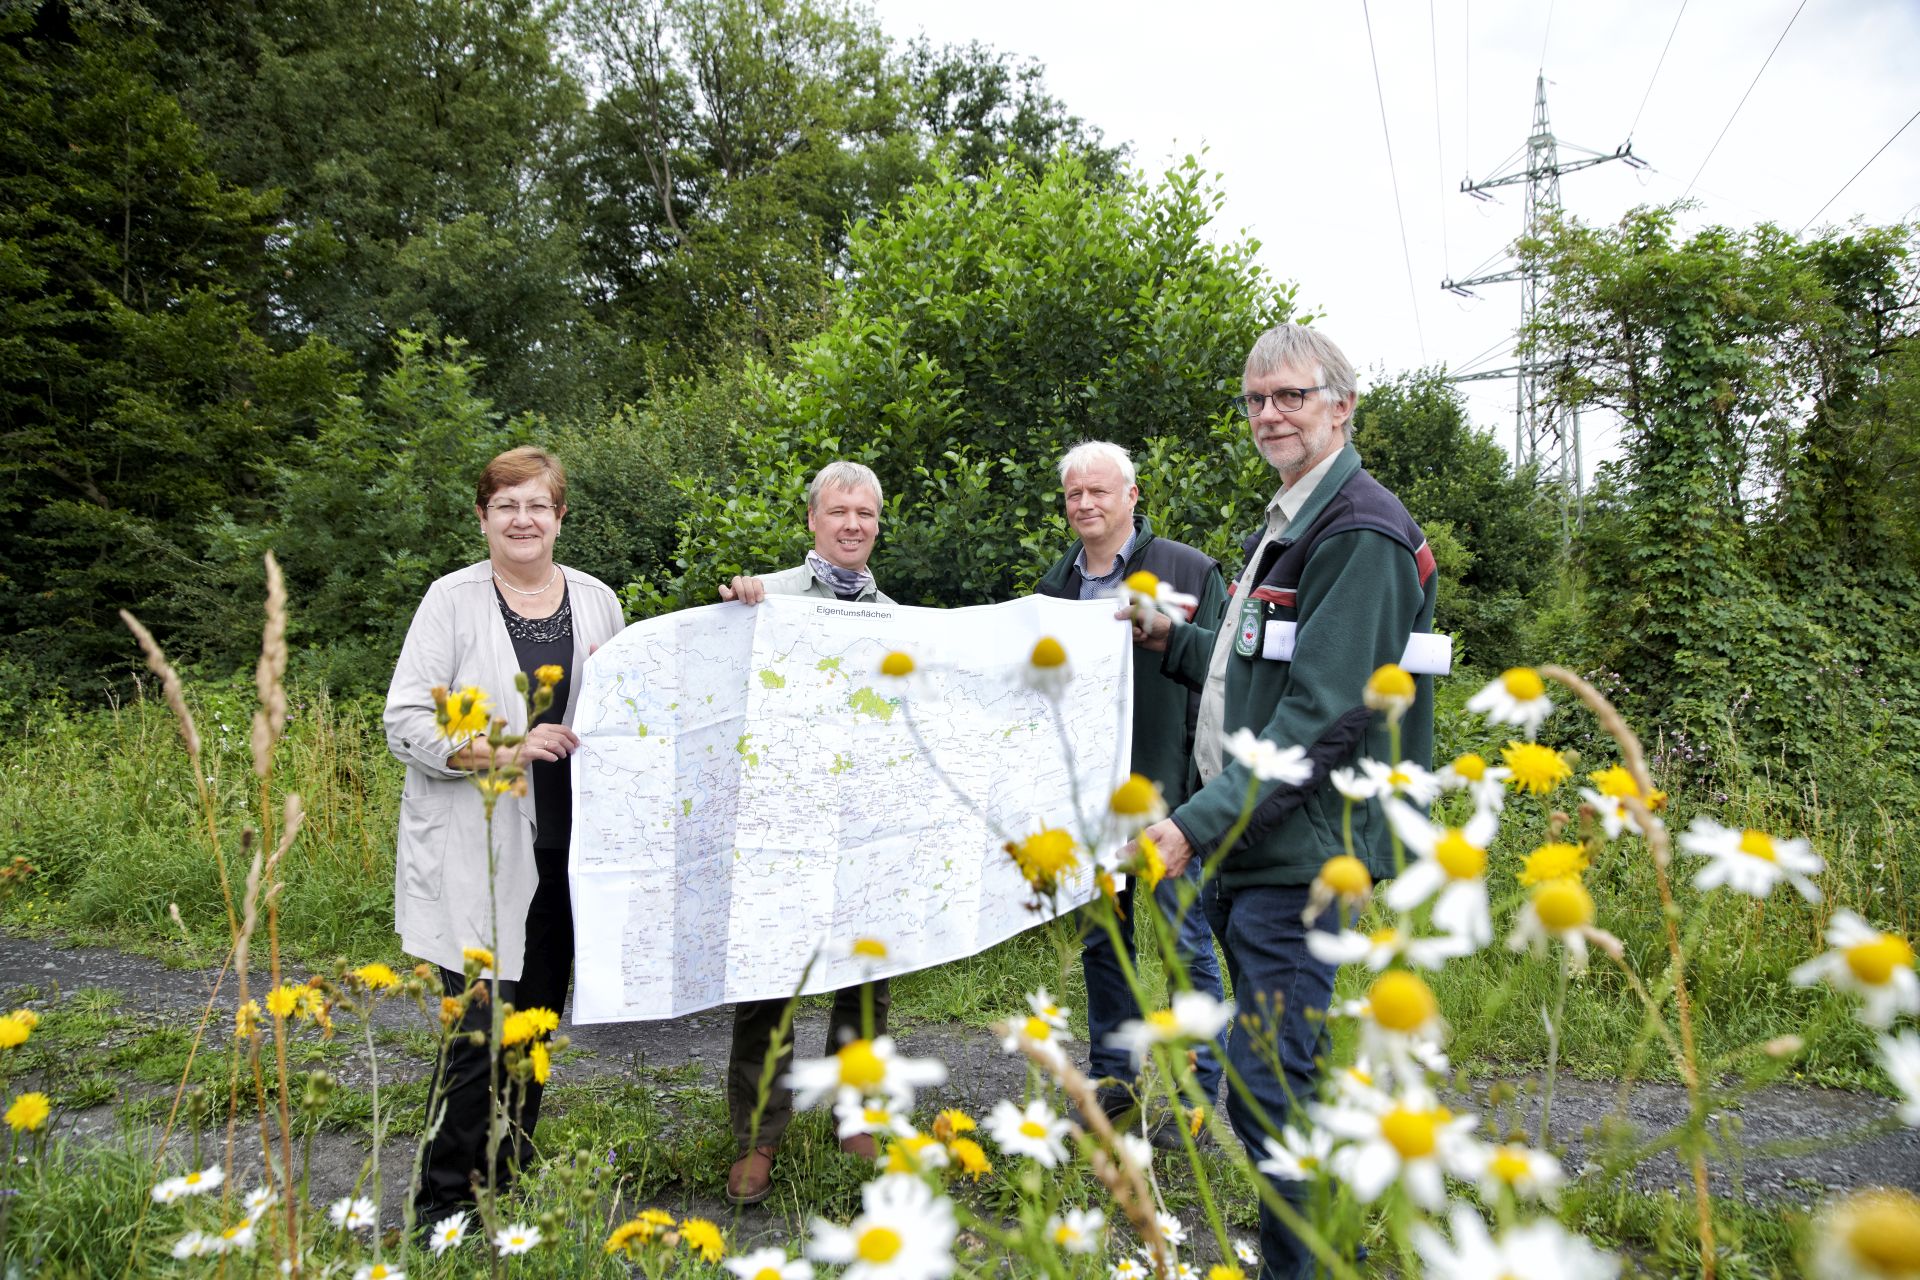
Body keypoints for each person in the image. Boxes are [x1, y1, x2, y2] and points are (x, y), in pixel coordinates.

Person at [1129, 325, 1437, 1279]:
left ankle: (1296, 1268)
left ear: (1342, 405)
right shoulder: (1292, 519)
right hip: (1253, 846)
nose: (1270, 415)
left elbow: (1319, 716)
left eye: (1291, 396)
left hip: (1299, 850)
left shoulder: (1360, 531)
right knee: (1268, 1078)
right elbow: (1251, 665)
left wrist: (1190, 825)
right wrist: (1169, 640)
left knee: (1269, 1083)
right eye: (1257, 400)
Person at [383, 446, 625, 1229]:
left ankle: (505, 1183)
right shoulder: (449, 603)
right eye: (506, 506)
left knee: (536, 1028)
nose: (523, 520)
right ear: (482, 517)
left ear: (560, 516)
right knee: (480, 1037)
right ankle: (443, 1211)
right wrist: (508, 748)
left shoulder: (597, 602)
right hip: (478, 853)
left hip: (568, 855)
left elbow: (631, 714)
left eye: (538, 506)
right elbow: (406, 722)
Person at [1032, 441, 1229, 1134]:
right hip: (1090, 801)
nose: (1085, 504)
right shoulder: (1054, 585)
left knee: (1186, 940)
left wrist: (1206, 787)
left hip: (1169, 796)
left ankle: (1199, 1095)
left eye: (1099, 493)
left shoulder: (1189, 568)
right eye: (1073, 495)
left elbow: (1225, 675)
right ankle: (1113, 1083)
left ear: (1131, 496)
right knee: (1103, 942)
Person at [716, 461, 895, 1205]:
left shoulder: (894, 615)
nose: (853, 524)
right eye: (839, 512)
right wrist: (736, 606)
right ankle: (760, 1135)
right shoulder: (768, 597)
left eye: (866, 514)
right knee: (770, 982)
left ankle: (855, 1113)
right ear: (813, 521)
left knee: (865, 978)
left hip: (862, 821)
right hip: (779, 823)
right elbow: (715, 680)